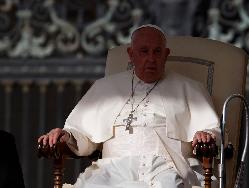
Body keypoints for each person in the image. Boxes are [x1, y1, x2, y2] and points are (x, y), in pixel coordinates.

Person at [38, 24, 220, 188]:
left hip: (168, 167)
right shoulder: (105, 88)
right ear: (131, 55)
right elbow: (81, 134)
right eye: (144, 51)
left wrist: (205, 135)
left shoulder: (190, 89)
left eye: (157, 52)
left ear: (166, 55)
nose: (151, 58)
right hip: (114, 168)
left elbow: (212, 131)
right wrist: (66, 135)